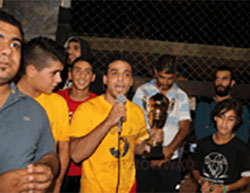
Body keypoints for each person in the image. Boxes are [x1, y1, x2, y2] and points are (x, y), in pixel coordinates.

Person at [69, 59, 162, 193]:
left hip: (128, 188)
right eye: (115, 73)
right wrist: (108, 122)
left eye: (126, 75)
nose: (120, 79)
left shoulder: (136, 112)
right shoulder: (87, 109)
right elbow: (76, 155)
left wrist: (150, 141)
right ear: (105, 79)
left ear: (131, 81)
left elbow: (137, 148)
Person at [0, 10, 59, 192]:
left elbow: (49, 154)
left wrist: (47, 168)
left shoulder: (34, 110)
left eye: (15, 44)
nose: (7, 50)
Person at [17, 37, 69, 192]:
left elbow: (63, 148)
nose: (59, 80)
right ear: (32, 71)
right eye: (54, 73)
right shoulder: (6, 98)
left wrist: (57, 183)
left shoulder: (58, 103)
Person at [132, 54, 191, 192]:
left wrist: (169, 150)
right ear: (155, 72)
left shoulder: (181, 96)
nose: (165, 82)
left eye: (170, 78)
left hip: (170, 158)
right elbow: (134, 123)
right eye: (162, 77)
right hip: (144, 155)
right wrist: (148, 150)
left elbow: (185, 128)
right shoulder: (142, 91)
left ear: (176, 75)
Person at [192, 99, 250, 193]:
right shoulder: (203, 143)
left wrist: (225, 189)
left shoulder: (241, 148)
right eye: (221, 117)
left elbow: (247, 177)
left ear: (236, 122)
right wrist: (202, 181)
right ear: (215, 118)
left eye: (230, 119)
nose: (224, 123)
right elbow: (195, 168)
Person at [57, 56, 97, 192]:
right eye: (78, 70)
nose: (82, 76)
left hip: (86, 173)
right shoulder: (57, 99)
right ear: (69, 75)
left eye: (87, 72)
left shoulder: (99, 104)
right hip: (58, 169)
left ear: (93, 77)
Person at [194, 65, 249, 144]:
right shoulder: (204, 106)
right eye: (217, 78)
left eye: (224, 79)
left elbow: (242, 138)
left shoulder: (241, 109)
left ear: (232, 83)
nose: (220, 83)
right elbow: (200, 135)